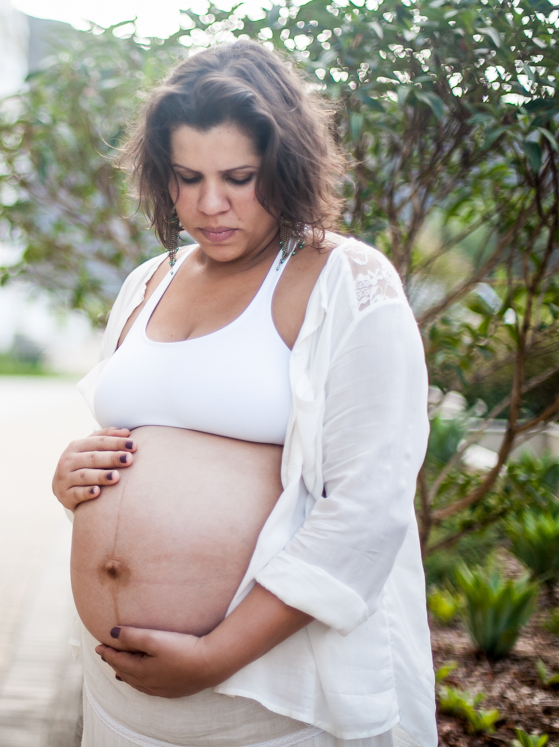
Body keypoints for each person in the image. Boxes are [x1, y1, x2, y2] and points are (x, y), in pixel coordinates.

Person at [51, 40, 436, 747]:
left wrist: (214, 654)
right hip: (121, 706)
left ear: (286, 168)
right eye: (186, 176)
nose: (209, 204)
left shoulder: (345, 282)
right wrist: (71, 477)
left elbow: (368, 506)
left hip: (271, 705)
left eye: (238, 176)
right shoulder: (148, 281)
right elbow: (144, 445)